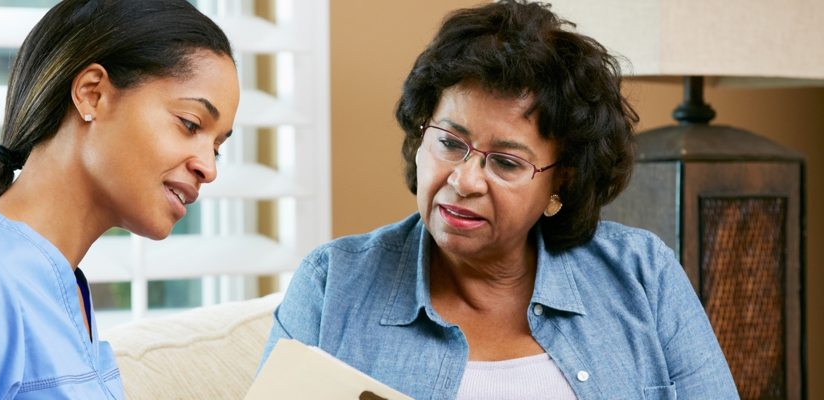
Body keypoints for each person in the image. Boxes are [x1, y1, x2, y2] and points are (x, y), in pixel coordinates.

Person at [260, 1, 737, 399]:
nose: (464, 181)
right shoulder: (333, 285)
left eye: (507, 163)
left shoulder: (642, 275)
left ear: (561, 183)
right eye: (449, 143)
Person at [0, 0, 239, 398]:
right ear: (92, 94)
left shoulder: (62, 294)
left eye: (218, 147)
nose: (209, 167)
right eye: (190, 124)